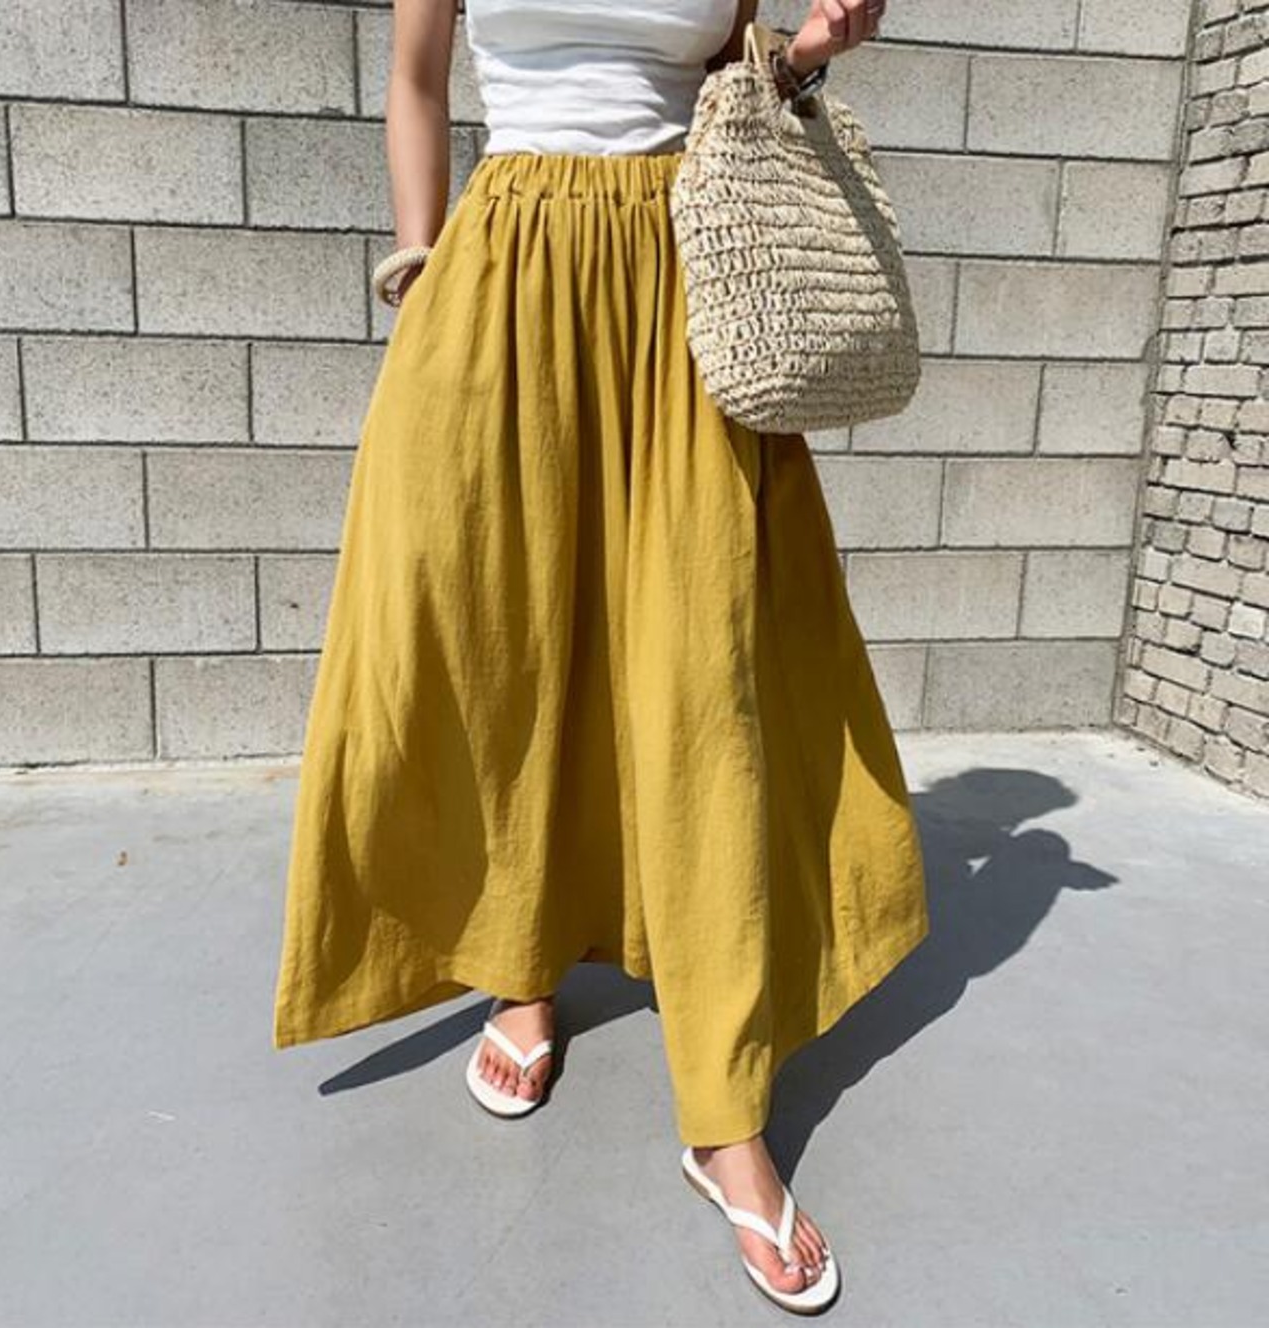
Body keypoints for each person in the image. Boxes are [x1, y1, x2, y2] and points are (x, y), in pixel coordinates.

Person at [272, 0, 929, 1313]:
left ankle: (726, 1115)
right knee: (495, 646)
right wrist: (419, 266)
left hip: (679, 285)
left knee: (704, 682)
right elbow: (416, 79)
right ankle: (519, 969)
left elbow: (738, 87)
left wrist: (810, 51)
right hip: (502, 278)